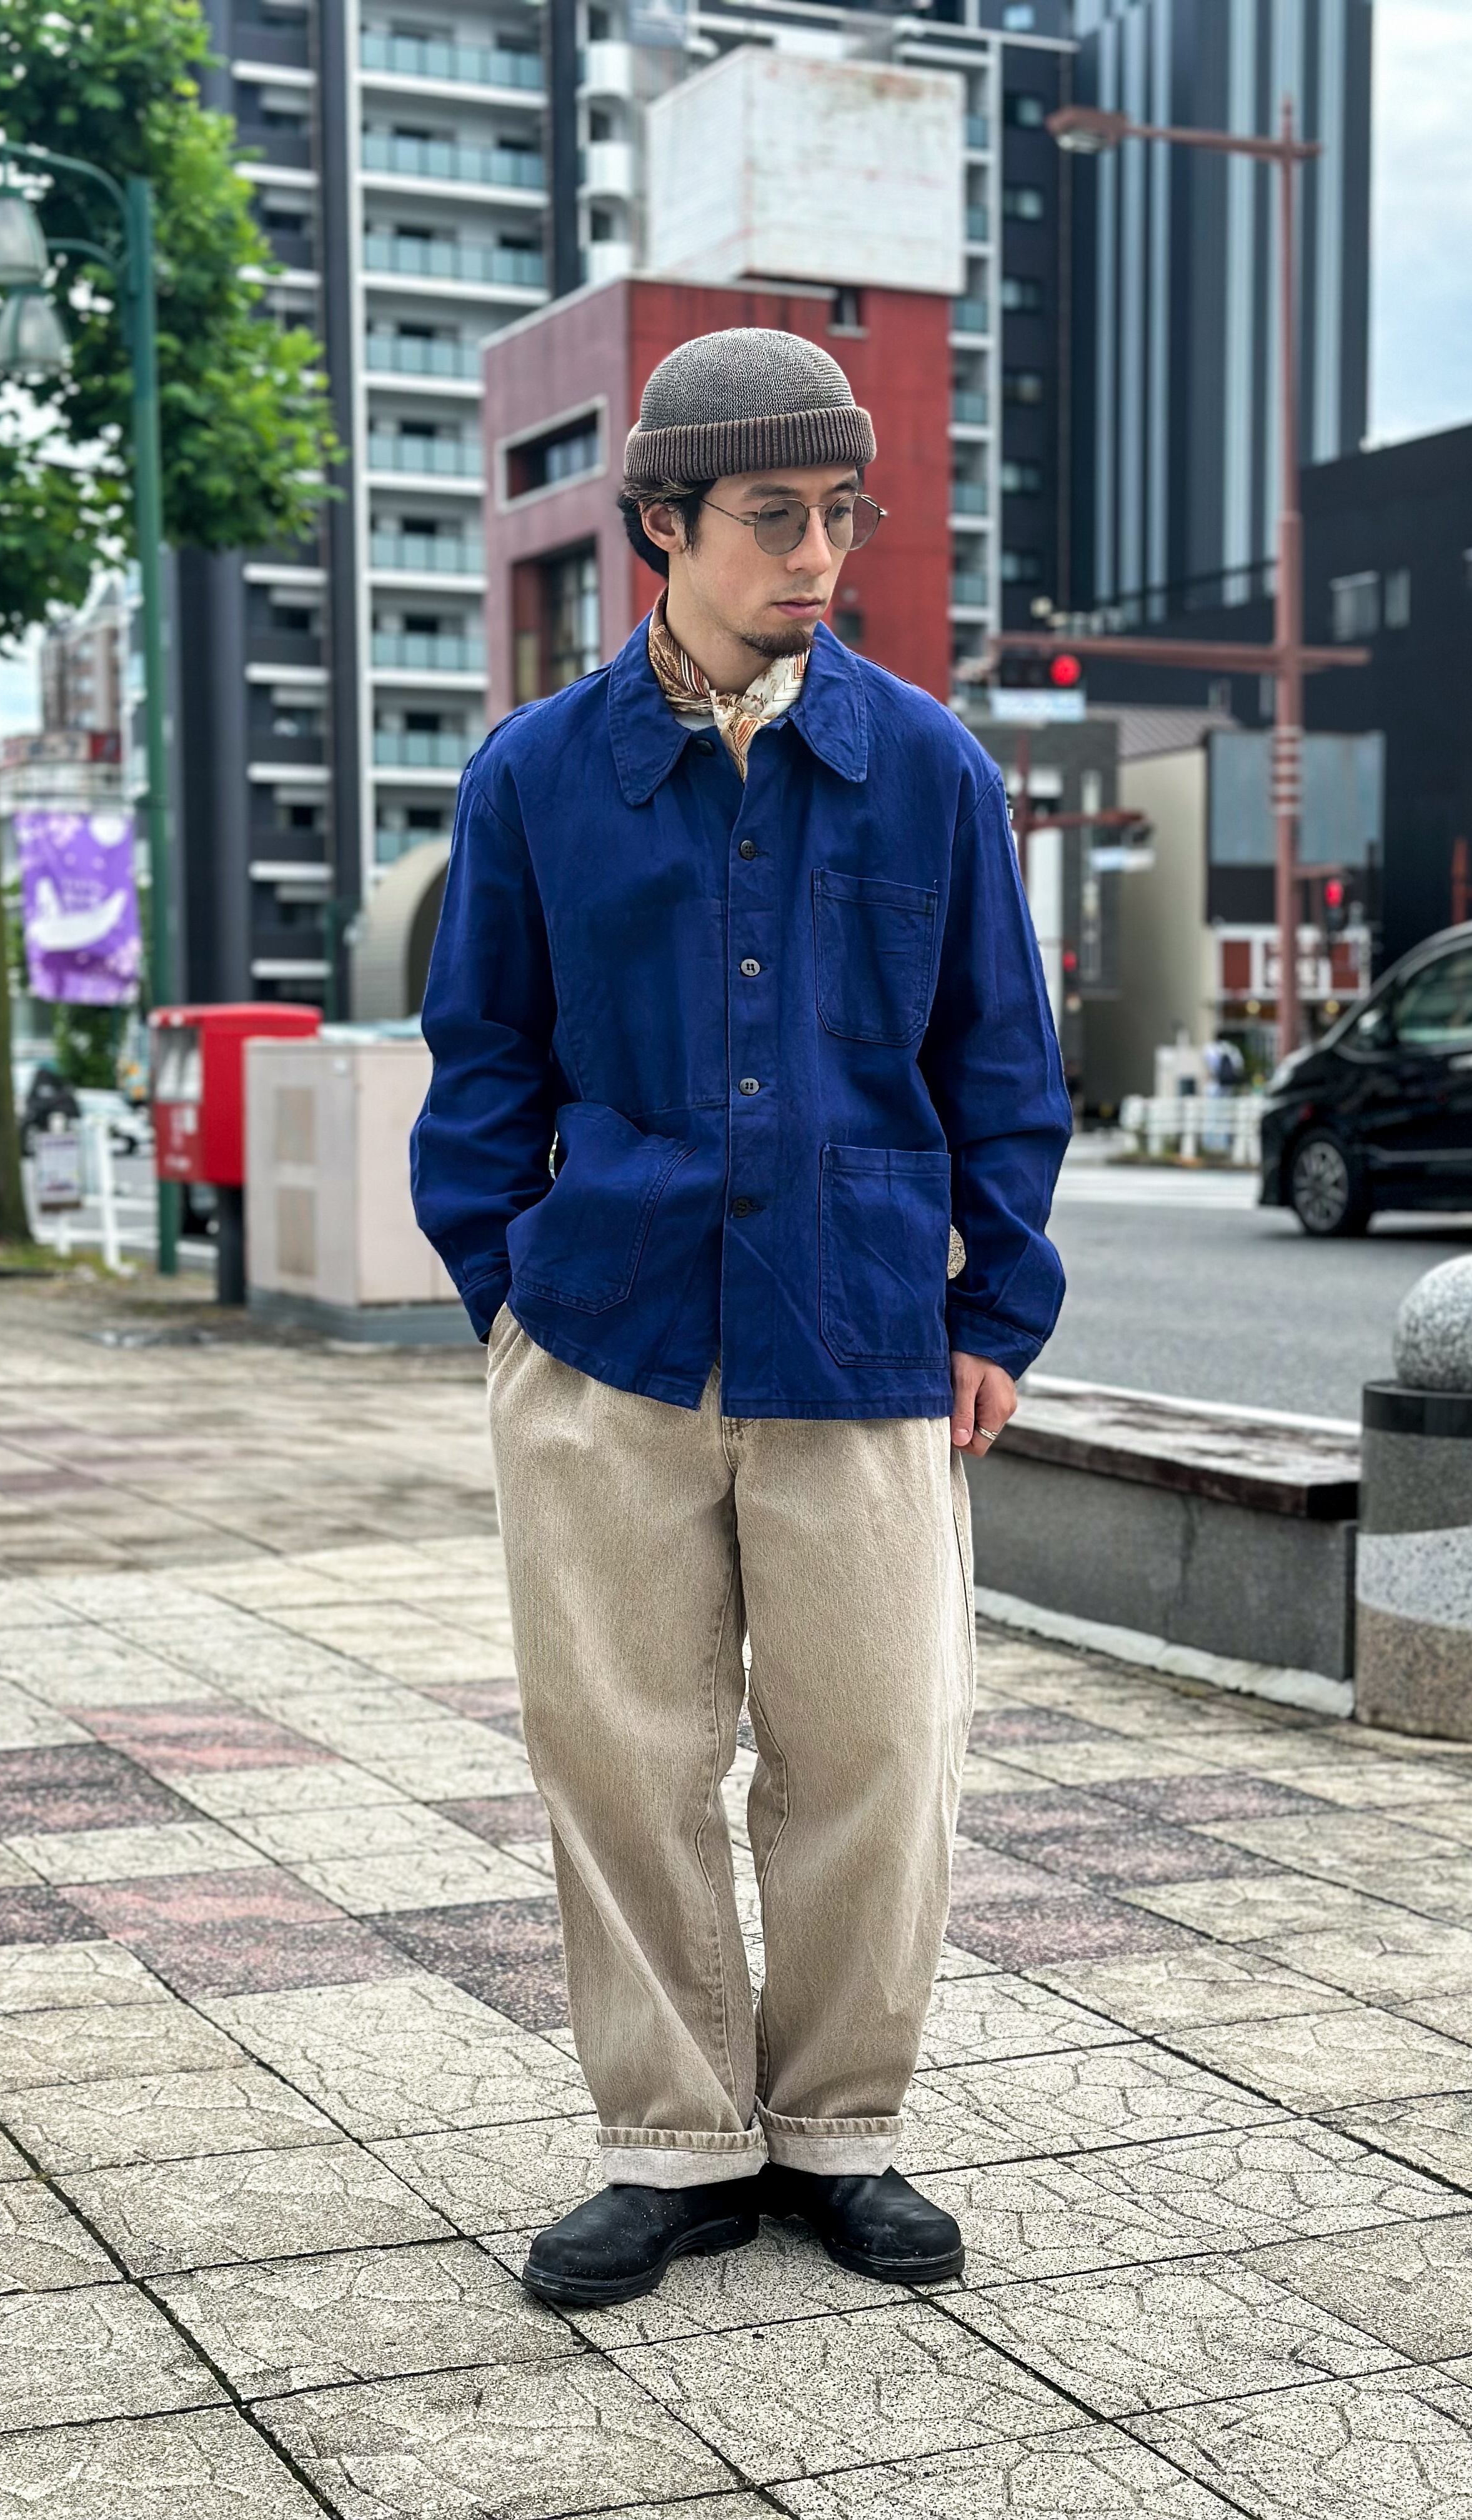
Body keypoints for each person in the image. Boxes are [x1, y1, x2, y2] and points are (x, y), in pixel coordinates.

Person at [412, 328, 1070, 2311]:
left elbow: (1003, 1068)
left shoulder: (927, 770)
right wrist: (510, 1304)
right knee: (619, 1752)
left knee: (879, 1748)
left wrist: (997, 1309)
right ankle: (673, 2141)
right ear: (663, 528)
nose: (816, 554)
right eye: (772, 517)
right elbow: (484, 1063)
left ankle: (841, 2129)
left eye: (838, 515)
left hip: (861, 1335)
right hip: (604, 1340)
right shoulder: (537, 777)